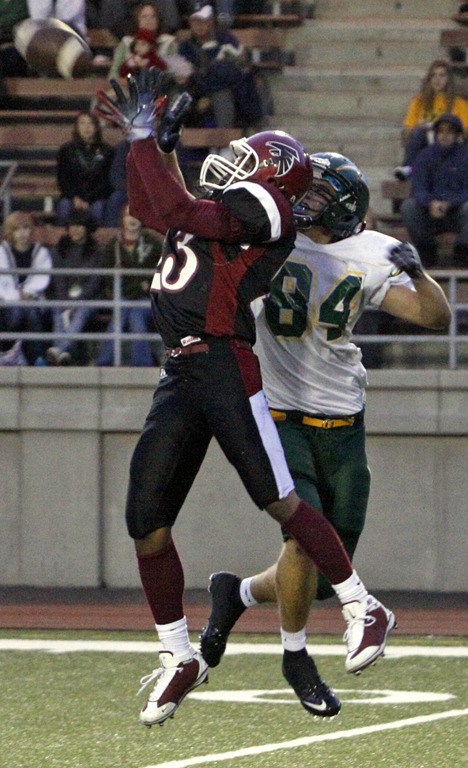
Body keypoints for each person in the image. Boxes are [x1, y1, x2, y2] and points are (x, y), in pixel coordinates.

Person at [94, 71, 396, 728]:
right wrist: (152, 145)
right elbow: (152, 205)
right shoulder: (228, 207)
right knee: (145, 520)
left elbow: (176, 212)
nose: (232, 161)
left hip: (225, 364)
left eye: (246, 158)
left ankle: (362, 604)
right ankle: (179, 655)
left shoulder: (268, 213)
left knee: (281, 499)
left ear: (269, 177)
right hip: (181, 371)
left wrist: (147, 139)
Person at [199, 152, 452, 716]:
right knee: (302, 540)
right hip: (280, 415)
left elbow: (436, 318)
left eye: (318, 193)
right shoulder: (273, 234)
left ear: (344, 206)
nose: (305, 199)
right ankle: (298, 657)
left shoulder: (372, 251)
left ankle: (236, 593)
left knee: (313, 575)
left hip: (344, 423)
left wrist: (418, 272)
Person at [177, 3, 264, 130]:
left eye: (203, 21)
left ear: (211, 21)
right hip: (200, 90)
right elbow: (187, 76)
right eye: (195, 22)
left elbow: (240, 66)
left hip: (229, 88)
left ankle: (232, 134)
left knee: (225, 84)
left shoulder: (226, 39)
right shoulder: (186, 47)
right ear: (190, 24)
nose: (199, 26)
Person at [96, 204, 163, 366]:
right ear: (122, 219)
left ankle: (139, 364)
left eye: (136, 214)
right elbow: (109, 278)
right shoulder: (114, 245)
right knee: (123, 317)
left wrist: (139, 283)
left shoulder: (153, 242)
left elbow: (162, 269)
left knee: (134, 314)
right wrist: (139, 284)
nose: (132, 219)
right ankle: (106, 363)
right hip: (124, 297)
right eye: (128, 215)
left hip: (148, 299)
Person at [400, 113, 468, 268]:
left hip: (458, 213)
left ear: (457, 135)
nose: (445, 135)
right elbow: (418, 186)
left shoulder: (466, 156)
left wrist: (450, 203)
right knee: (409, 207)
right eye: (441, 131)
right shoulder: (425, 156)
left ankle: (463, 254)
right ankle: (427, 252)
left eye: (450, 131)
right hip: (430, 213)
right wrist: (430, 203)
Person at [46, 208, 104, 365]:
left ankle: (59, 349)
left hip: (88, 299)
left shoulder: (97, 251)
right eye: (72, 225)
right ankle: (63, 354)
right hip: (63, 298)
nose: (75, 229)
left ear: (87, 228)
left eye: (79, 225)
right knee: (58, 310)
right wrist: (66, 301)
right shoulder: (60, 248)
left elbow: (95, 282)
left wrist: (77, 301)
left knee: (81, 312)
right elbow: (58, 279)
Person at [394, 59, 468, 181]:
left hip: (448, 144)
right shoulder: (418, 102)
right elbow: (407, 132)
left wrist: (449, 126)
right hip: (425, 144)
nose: (437, 79)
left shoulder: (459, 103)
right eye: (433, 75)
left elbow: (465, 133)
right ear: (429, 79)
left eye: (442, 75)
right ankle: (408, 168)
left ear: (449, 79)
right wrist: (419, 126)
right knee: (419, 132)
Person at [0, 210, 52, 365]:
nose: (22, 233)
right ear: (10, 232)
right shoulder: (2, 252)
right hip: (8, 304)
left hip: (33, 301)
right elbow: (3, 281)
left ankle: (37, 359)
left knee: (31, 312)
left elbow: (41, 278)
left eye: (25, 228)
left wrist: (28, 292)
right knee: (19, 313)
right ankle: (13, 353)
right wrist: (17, 296)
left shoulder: (41, 252)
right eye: (17, 229)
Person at [55, 111, 115, 227]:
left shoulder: (108, 151)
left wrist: (89, 199)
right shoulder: (66, 150)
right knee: (64, 206)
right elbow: (62, 180)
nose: (86, 127)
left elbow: (107, 181)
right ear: (76, 127)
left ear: (96, 127)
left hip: (97, 198)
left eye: (90, 123)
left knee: (98, 208)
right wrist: (75, 198)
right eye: (82, 123)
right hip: (72, 197)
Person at [108, 3, 178, 81]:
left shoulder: (168, 42)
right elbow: (114, 73)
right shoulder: (126, 42)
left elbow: (173, 73)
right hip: (128, 85)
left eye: (153, 16)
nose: (148, 19)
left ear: (158, 20)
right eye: (144, 16)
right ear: (137, 20)